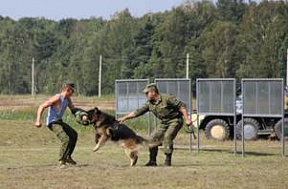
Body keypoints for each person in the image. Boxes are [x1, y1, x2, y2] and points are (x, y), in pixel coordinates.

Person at [118, 83, 192, 166]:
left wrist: (187, 119)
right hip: (164, 122)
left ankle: (168, 160)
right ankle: (152, 161)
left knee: (167, 136)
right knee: (152, 138)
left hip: (175, 120)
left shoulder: (167, 98)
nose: (146, 95)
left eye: (147, 93)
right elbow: (137, 112)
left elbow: (182, 107)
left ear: (153, 92)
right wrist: (124, 118)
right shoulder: (149, 103)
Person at [35, 83, 79, 168]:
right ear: (67, 90)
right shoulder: (57, 98)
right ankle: (61, 160)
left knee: (74, 134)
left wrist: (82, 114)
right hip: (52, 122)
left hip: (59, 121)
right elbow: (42, 106)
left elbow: (73, 109)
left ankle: (68, 157)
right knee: (65, 139)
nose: (72, 94)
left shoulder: (68, 99)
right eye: (72, 91)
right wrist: (38, 120)